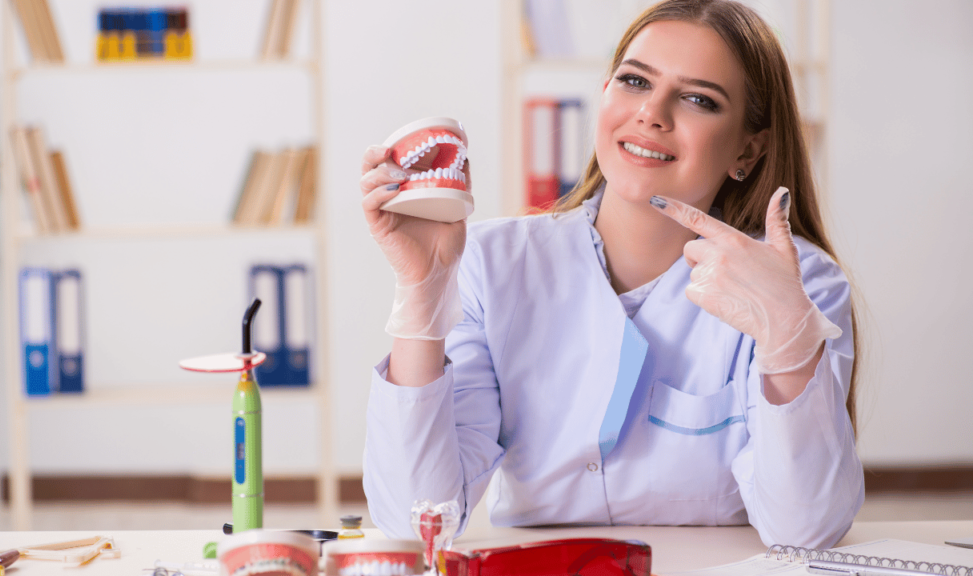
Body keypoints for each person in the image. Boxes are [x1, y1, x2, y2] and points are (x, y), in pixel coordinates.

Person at [357, 0, 863, 549]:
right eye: (634, 80)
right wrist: (422, 294)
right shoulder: (491, 262)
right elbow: (415, 520)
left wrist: (788, 336)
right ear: (604, 94)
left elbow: (806, 532)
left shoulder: (797, 284)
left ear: (748, 147)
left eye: (698, 99)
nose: (652, 112)